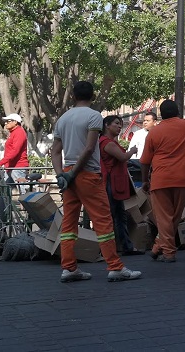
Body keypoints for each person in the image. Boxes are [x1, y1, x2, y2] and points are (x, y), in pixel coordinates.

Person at [51, 80, 142, 283]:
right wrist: (73, 173)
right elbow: (90, 148)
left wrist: (62, 175)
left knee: (69, 222)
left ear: (73, 96)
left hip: (68, 174)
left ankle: (68, 268)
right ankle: (115, 267)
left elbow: (55, 151)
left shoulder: (63, 119)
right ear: (93, 97)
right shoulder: (93, 116)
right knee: (103, 221)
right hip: (88, 175)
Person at [140, 100, 185, 263]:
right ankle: (158, 247)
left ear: (161, 115)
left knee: (165, 218)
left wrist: (145, 180)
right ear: (178, 111)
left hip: (161, 180)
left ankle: (168, 252)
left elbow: (145, 161)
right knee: (174, 216)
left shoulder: (154, 133)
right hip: (184, 180)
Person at [99, 115, 143, 255]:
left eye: (120, 124)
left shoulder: (108, 141)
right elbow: (123, 157)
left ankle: (124, 246)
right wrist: (132, 151)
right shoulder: (107, 143)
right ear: (107, 125)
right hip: (111, 183)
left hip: (113, 182)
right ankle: (116, 248)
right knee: (115, 215)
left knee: (118, 215)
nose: (119, 127)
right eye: (116, 124)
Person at [0, 113, 30, 186]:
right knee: (5, 191)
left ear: (15, 122)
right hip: (11, 167)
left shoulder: (19, 132)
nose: (6, 123)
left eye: (8, 121)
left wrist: (0, 163)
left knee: (23, 191)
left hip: (17, 167)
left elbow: (15, 151)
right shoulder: (13, 133)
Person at [126, 111, 157, 176]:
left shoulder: (159, 133)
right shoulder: (138, 134)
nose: (145, 122)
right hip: (139, 166)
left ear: (154, 122)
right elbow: (132, 149)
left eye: (148, 121)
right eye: (144, 120)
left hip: (155, 166)